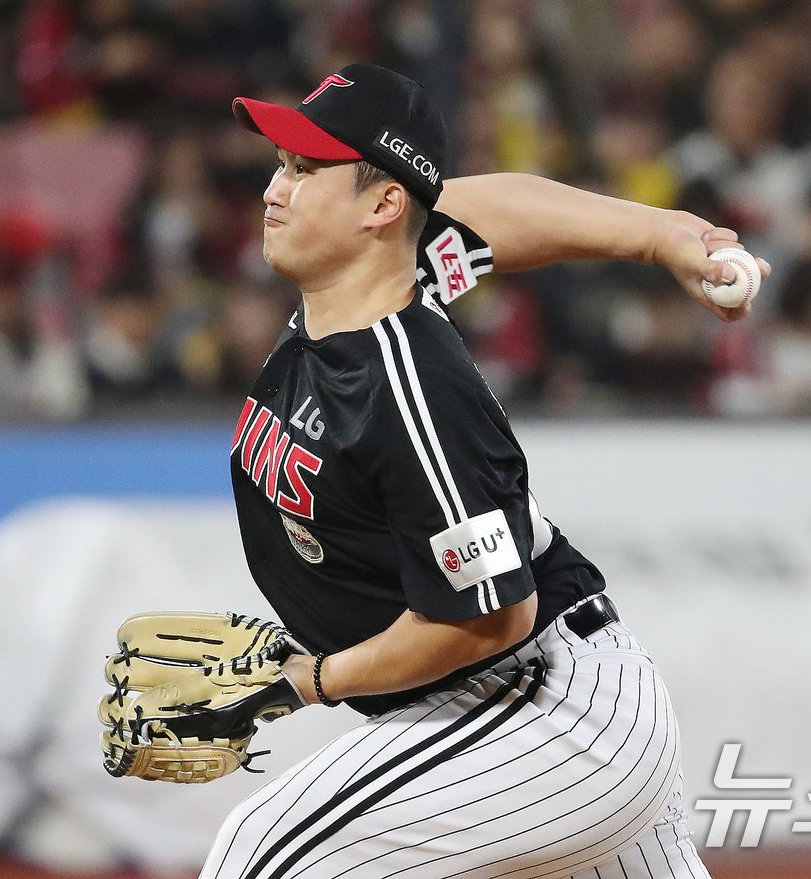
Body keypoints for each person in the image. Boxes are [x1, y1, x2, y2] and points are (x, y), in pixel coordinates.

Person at [210, 63, 764, 879]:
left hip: (543, 713)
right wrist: (659, 234)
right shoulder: (382, 274)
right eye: (280, 164)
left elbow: (487, 617)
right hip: (511, 703)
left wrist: (305, 681)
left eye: (304, 169)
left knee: (261, 855)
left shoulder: (411, 389)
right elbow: (490, 207)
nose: (273, 188)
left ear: (382, 205)